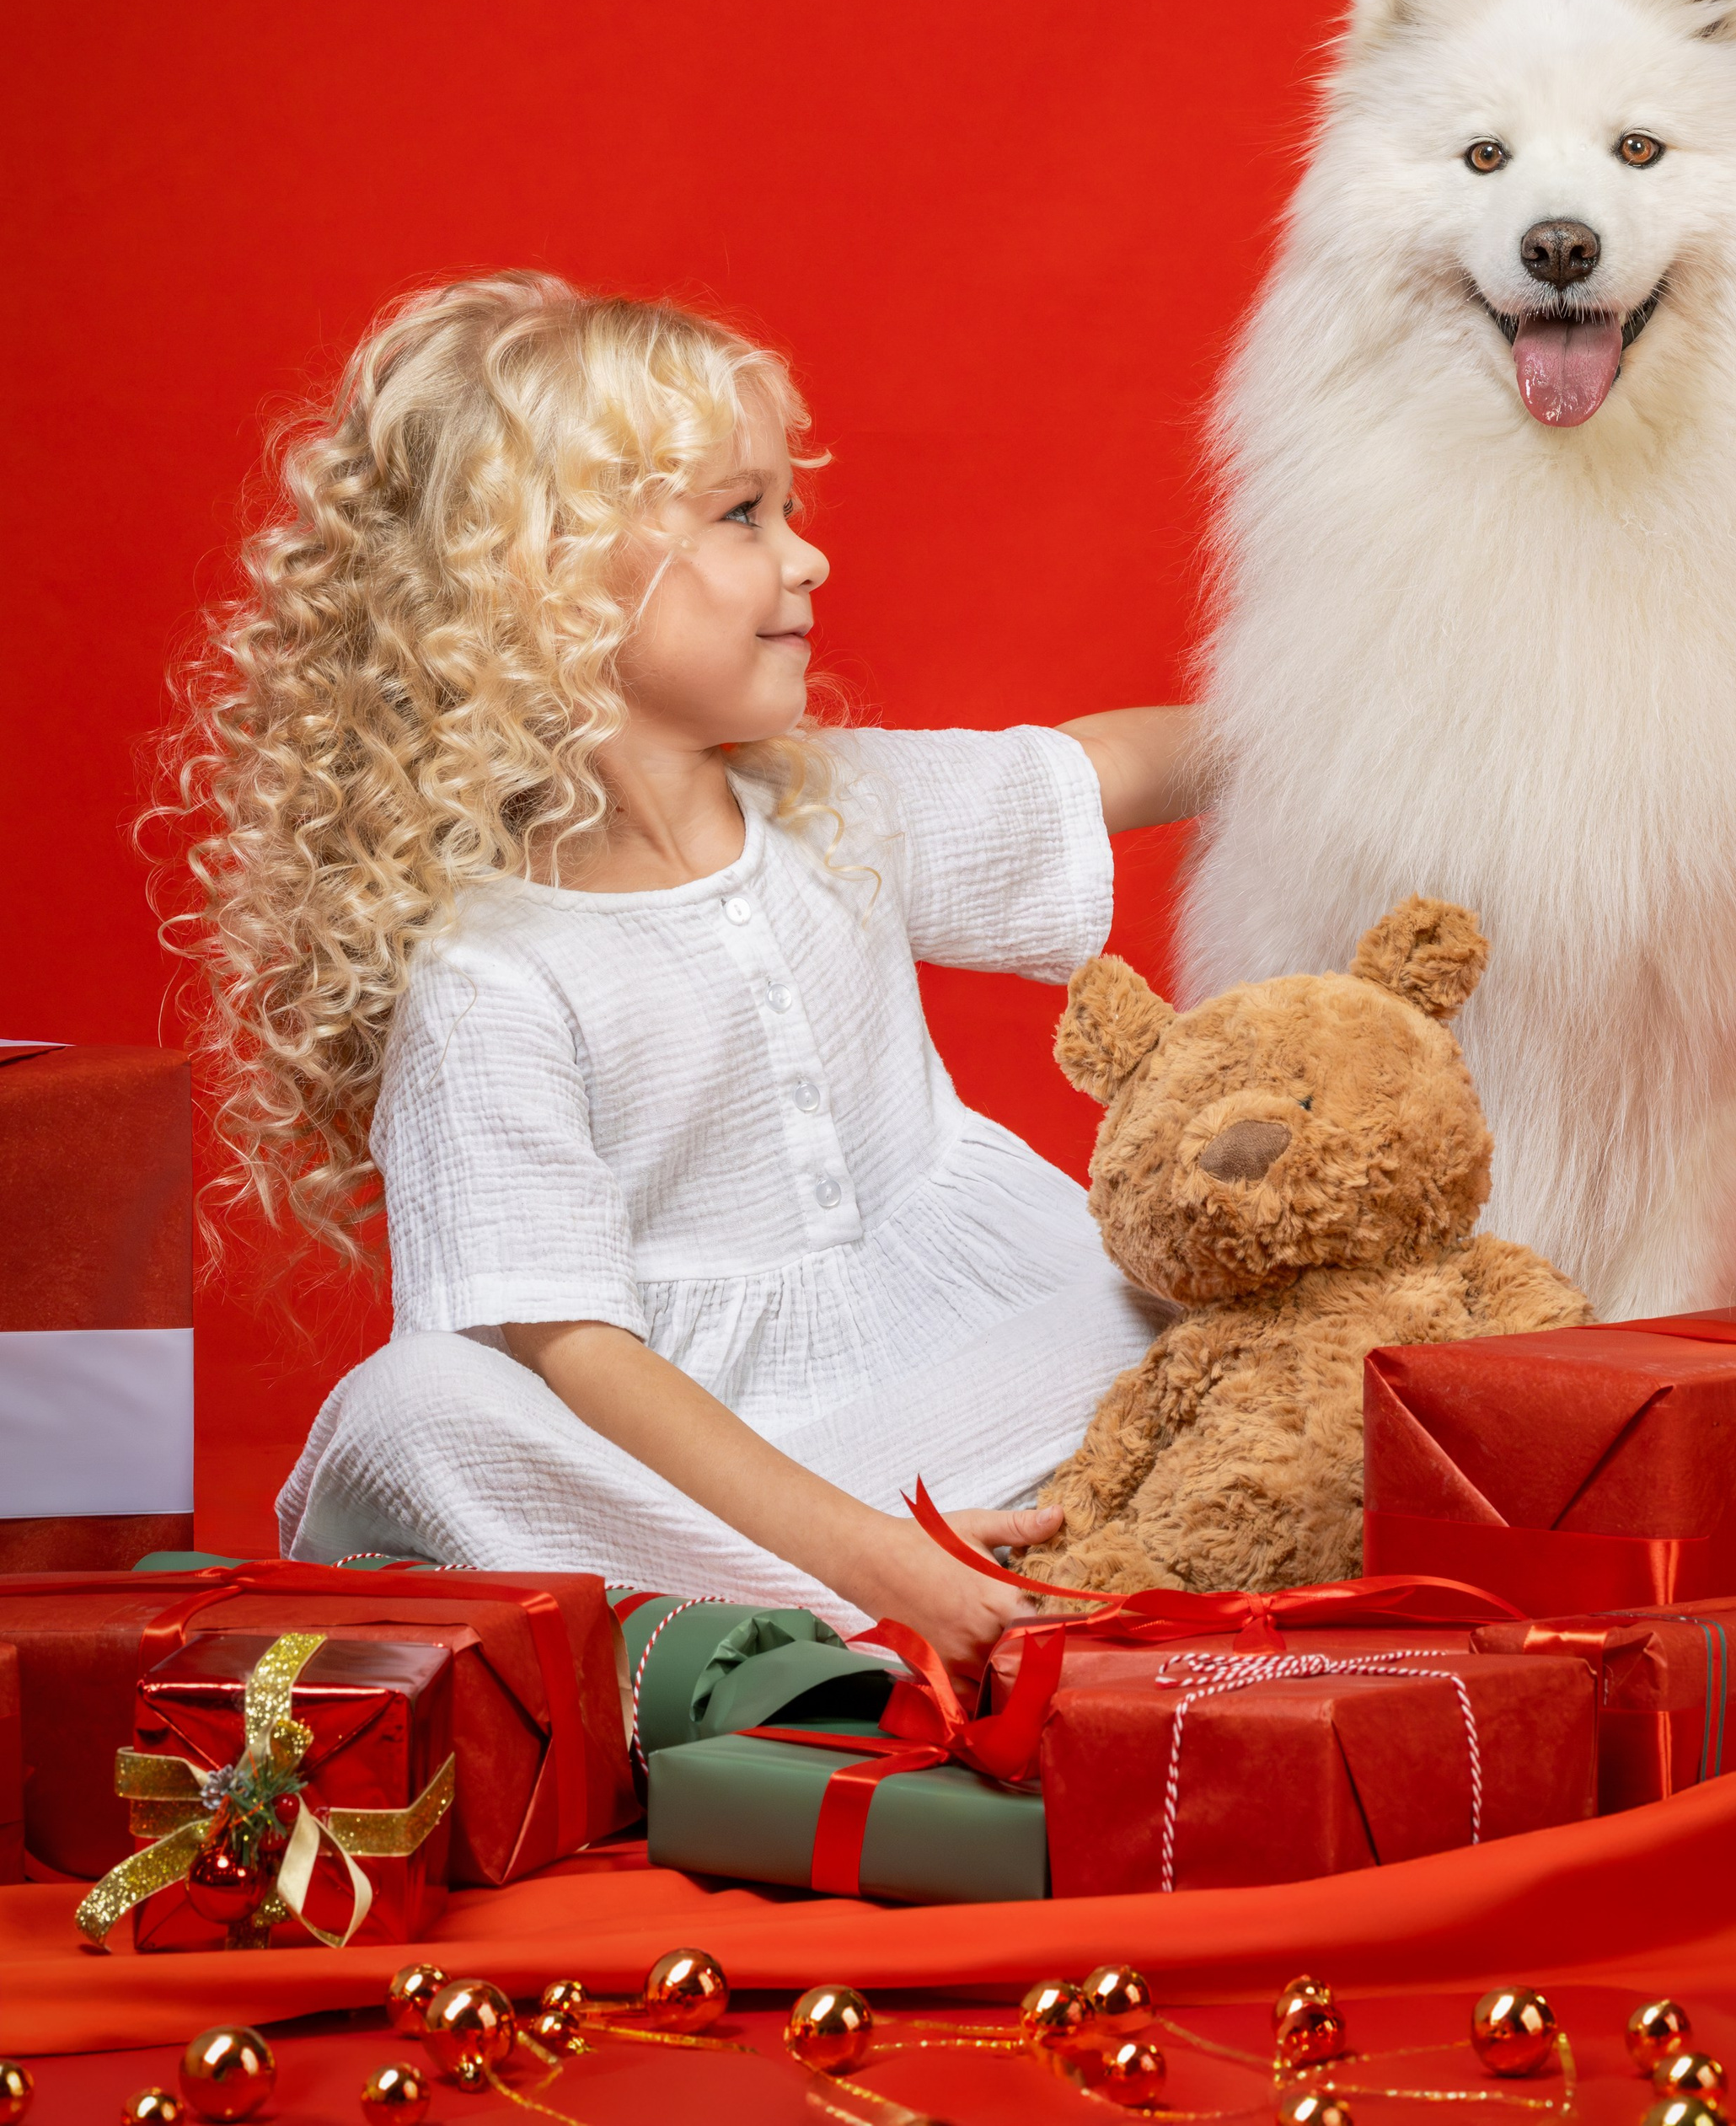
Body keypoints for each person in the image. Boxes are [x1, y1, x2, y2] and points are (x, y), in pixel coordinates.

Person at [159, 272, 1208, 1668]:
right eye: (742, 513)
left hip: (968, 1391)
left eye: (788, 508)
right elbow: (579, 1357)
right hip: (703, 1478)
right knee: (414, 1409)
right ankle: (830, 1610)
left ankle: (868, 1592)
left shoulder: (829, 807)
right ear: (547, 577)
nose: (807, 557)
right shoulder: (493, 975)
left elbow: (1097, 768)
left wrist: (1351, 720)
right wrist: (876, 1550)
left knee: (1187, 1293)